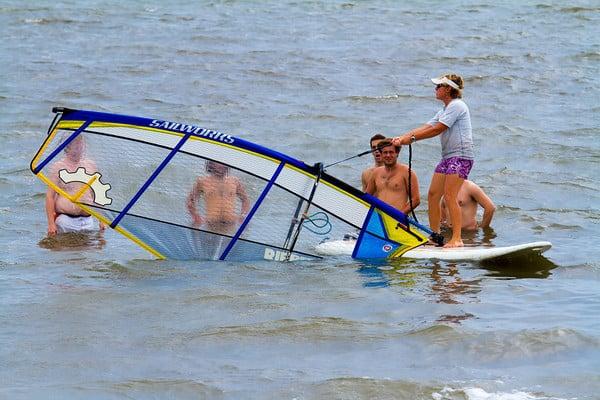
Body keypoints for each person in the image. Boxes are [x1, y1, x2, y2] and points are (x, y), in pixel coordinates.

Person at [393, 74, 474, 248]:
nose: (435, 89)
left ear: (449, 89)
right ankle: (435, 236)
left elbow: (438, 129)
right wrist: (402, 138)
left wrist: (412, 138)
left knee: (450, 196)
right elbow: (427, 126)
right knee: (432, 195)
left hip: (461, 157)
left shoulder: (457, 105)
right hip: (447, 157)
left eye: (439, 86)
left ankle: (457, 239)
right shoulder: (443, 110)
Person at [46, 135, 105, 236]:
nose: (80, 148)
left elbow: (97, 194)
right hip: (66, 220)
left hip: (88, 220)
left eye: (81, 144)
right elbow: (49, 196)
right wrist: (51, 224)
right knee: (64, 250)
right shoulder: (58, 167)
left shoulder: (91, 165)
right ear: (67, 147)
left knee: (89, 251)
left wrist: (102, 220)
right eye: (76, 145)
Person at [186, 160, 250, 234]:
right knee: (208, 245)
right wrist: (196, 217)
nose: (221, 165)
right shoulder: (202, 181)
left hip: (231, 225)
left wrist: (242, 216)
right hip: (211, 226)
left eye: (224, 163)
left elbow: (245, 200)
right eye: (218, 162)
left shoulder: (234, 181)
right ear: (211, 164)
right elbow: (190, 201)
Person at [364, 139, 420, 214]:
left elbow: (416, 200)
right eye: (385, 152)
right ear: (381, 154)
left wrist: (400, 215)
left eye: (391, 152)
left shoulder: (407, 172)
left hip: (397, 218)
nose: (388, 155)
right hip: (378, 217)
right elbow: (367, 197)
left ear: (397, 153)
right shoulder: (376, 172)